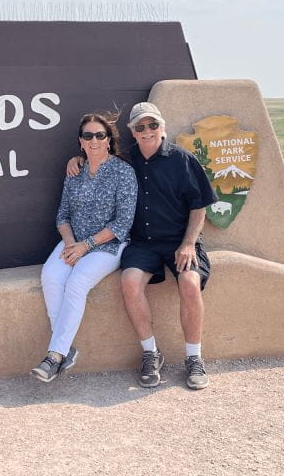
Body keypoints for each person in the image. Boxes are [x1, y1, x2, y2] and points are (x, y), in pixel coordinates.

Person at [67, 102, 217, 389]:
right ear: (132, 132)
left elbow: (200, 208)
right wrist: (78, 159)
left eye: (152, 125)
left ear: (162, 127)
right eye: (140, 127)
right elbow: (96, 156)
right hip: (142, 242)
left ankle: (194, 358)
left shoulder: (182, 160)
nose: (147, 131)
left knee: (189, 282)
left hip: (179, 241)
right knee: (130, 281)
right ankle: (151, 352)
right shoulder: (124, 160)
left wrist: (188, 244)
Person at [31, 112, 137, 382]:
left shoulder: (123, 173)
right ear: (81, 142)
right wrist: (69, 243)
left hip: (107, 246)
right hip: (73, 241)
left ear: (108, 140)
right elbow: (62, 215)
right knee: (51, 276)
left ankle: (54, 356)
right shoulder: (75, 171)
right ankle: (65, 351)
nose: (94, 140)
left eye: (100, 135)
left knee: (77, 282)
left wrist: (85, 246)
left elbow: (122, 223)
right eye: (88, 136)